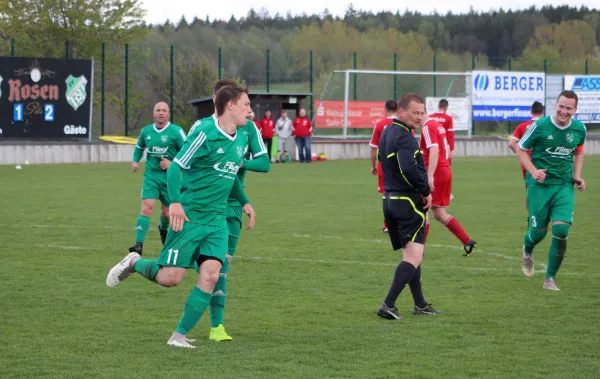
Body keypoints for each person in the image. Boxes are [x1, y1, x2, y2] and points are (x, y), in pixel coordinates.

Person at [106, 85, 257, 349]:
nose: (251, 111)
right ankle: (134, 262)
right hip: (190, 218)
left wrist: (245, 202)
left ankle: (178, 336)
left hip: (217, 221)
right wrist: (175, 203)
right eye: (246, 105)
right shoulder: (205, 132)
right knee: (170, 279)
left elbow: (229, 175)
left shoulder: (242, 136)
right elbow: (176, 168)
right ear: (230, 105)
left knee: (211, 275)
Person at [201, 79, 271, 342]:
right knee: (176, 271)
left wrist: (237, 162)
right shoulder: (204, 128)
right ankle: (138, 264)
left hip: (230, 206)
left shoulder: (247, 128)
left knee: (220, 268)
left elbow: (264, 164)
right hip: (203, 204)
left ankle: (216, 327)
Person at [376, 93, 439, 320]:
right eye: (415, 112)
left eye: (422, 113)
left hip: (390, 199)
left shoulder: (387, 132)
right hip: (407, 202)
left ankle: (420, 304)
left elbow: (388, 164)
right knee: (413, 257)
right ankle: (388, 304)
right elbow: (408, 168)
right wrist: (425, 191)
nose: (419, 117)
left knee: (412, 254)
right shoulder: (404, 136)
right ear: (401, 111)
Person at [517, 90, 586, 290]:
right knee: (537, 234)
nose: (564, 111)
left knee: (561, 230)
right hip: (539, 187)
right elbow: (521, 149)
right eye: (561, 106)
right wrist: (533, 171)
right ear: (555, 105)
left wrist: (577, 175)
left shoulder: (579, 129)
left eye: (569, 108)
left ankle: (550, 279)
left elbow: (579, 152)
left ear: (575, 109)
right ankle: (528, 248)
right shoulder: (539, 126)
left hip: (564, 185)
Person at [130, 102, 187, 255]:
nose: (161, 113)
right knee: (147, 207)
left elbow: (188, 152)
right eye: (158, 110)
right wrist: (135, 160)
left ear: (169, 114)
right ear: (154, 113)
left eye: (164, 110)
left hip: (170, 178)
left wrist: (173, 163)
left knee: (167, 213)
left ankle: (163, 229)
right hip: (151, 176)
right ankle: (138, 245)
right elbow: (139, 147)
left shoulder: (176, 132)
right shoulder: (146, 131)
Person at [419, 116, 477, 255]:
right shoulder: (437, 125)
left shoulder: (427, 126)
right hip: (445, 171)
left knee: (422, 210)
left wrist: (430, 175)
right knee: (439, 213)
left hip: (436, 172)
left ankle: (419, 250)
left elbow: (434, 150)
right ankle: (467, 241)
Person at [508, 101, 545, 212]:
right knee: (547, 193)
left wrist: (521, 155)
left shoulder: (522, 126)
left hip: (528, 165)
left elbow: (511, 144)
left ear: (531, 111)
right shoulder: (547, 125)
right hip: (545, 164)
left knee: (530, 193)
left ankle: (532, 219)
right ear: (542, 111)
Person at [369, 100, 398, 233]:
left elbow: (374, 148)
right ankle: (400, 224)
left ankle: (388, 225)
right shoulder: (402, 125)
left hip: (384, 166)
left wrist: (373, 165)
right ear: (398, 110)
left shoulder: (380, 125)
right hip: (399, 166)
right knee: (400, 195)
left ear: (385, 110)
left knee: (387, 195)